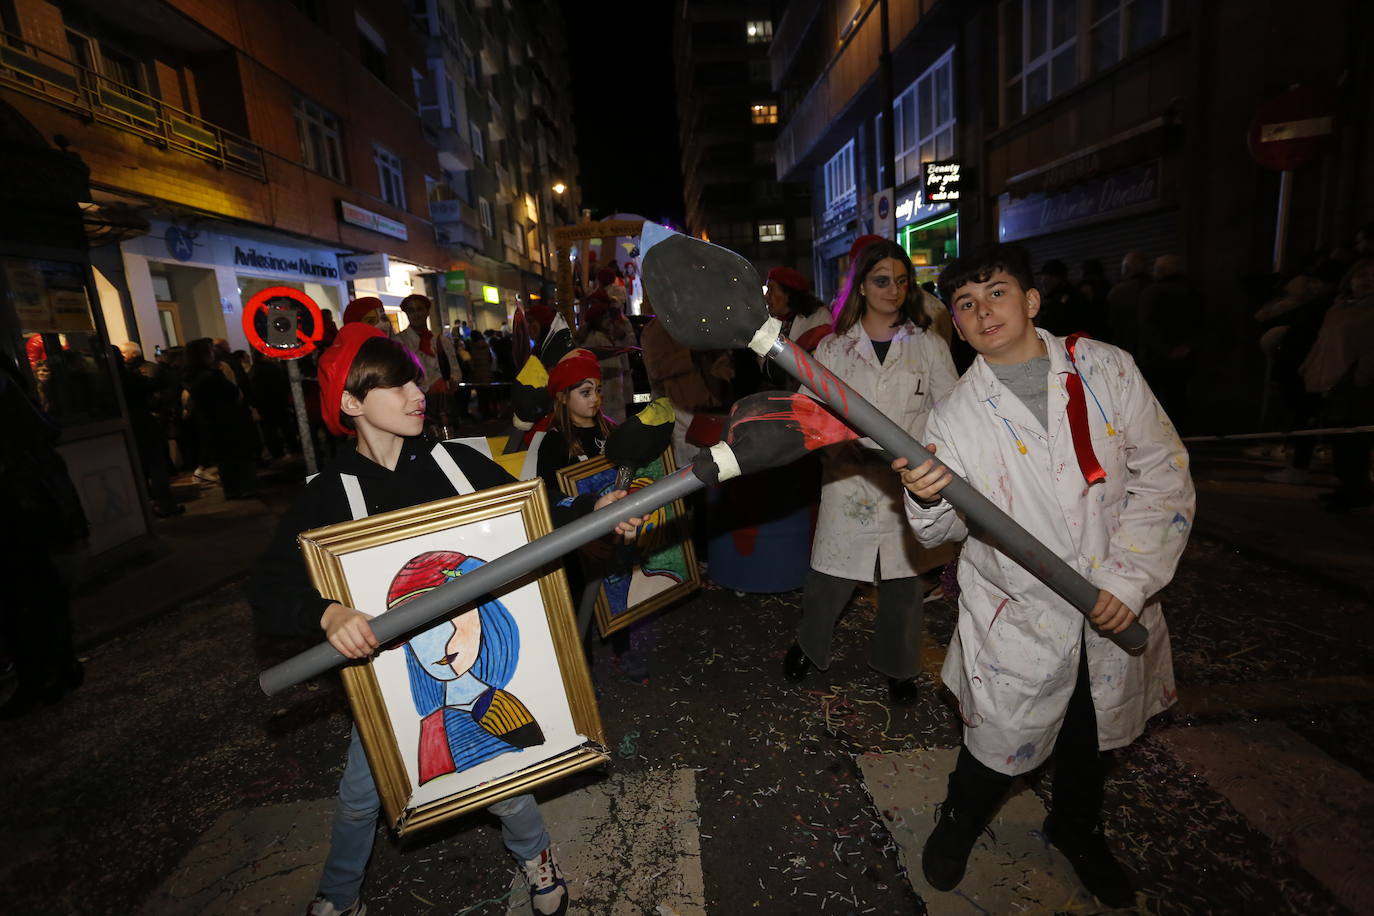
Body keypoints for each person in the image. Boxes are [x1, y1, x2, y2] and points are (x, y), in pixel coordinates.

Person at [248, 324, 642, 916]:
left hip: (472, 658)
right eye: (397, 383)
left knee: (498, 778)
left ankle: (536, 854)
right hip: (388, 680)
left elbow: (533, 515)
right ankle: (340, 895)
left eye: (415, 378)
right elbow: (270, 587)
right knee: (362, 796)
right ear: (351, 404)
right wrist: (325, 612)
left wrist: (595, 510)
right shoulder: (325, 495)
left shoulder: (455, 463)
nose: (418, 392)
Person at [893, 243, 1194, 907]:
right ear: (957, 324)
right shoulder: (953, 417)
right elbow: (939, 535)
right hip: (1020, 615)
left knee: (1096, 736)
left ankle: (1077, 828)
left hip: (1115, 606)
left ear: (1031, 301)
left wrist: (1129, 580)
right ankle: (959, 822)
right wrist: (924, 496)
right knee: (998, 743)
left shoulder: (1105, 371)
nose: (982, 310)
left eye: (996, 292)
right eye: (965, 303)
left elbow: (1164, 476)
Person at [784, 239, 958, 705]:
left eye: (901, 281)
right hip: (850, 479)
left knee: (904, 584)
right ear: (862, 285)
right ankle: (809, 644)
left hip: (910, 483)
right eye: (882, 280)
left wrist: (935, 456)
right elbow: (806, 409)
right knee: (830, 576)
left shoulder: (929, 346)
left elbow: (952, 409)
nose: (893, 290)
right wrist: (832, 452)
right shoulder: (835, 349)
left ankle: (899, 667)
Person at [0, 357, 88, 719]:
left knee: (29, 596)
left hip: (22, 511)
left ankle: (45, 676)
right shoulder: (12, 387)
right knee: (40, 594)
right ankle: (56, 670)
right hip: (30, 508)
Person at [1300, 255, 1374, 511]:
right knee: (1337, 436)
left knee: (1353, 438)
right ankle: (1346, 485)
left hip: (1354, 382)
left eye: (1372, 278)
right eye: (1362, 276)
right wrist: (1310, 365)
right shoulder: (1338, 308)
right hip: (1331, 378)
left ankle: (1357, 489)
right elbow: (1324, 341)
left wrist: (1362, 377)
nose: (1366, 282)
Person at [185, 338, 258, 499]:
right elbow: (233, 393)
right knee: (240, 456)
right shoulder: (212, 376)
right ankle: (245, 488)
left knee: (225, 460)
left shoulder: (192, 377)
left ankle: (231, 489)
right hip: (228, 420)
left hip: (211, 423)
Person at [396, 293, 461, 430]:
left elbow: (455, 368)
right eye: (411, 310)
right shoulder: (399, 342)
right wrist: (428, 387)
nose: (416, 314)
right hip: (415, 404)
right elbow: (400, 375)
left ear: (427, 311)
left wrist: (450, 383)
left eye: (419, 309)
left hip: (444, 403)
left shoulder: (441, 340)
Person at [1106, 250, 1149, 355]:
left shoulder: (1118, 292)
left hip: (1127, 347)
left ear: (1126, 269)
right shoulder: (1154, 286)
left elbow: (1111, 323)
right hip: (1154, 350)